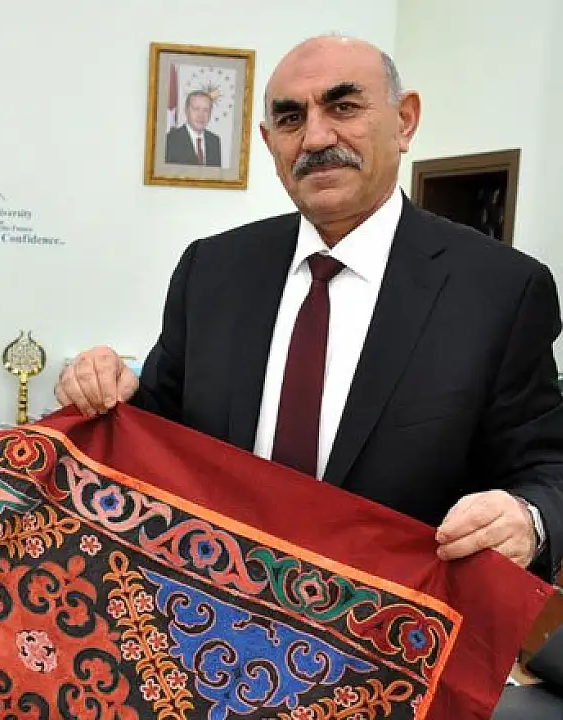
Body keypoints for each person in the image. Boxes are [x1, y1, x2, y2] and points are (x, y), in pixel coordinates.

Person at [56, 34, 563, 586]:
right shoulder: (212, 270)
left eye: (343, 107)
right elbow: (159, 429)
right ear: (269, 141)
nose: (317, 137)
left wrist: (529, 519)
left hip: (394, 621)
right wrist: (107, 389)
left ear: (405, 121)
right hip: (208, 609)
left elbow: (548, 466)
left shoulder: (501, 290)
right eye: (291, 118)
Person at [164, 90, 221, 166]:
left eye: (206, 110)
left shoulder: (214, 141)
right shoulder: (170, 140)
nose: (201, 115)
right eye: (196, 109)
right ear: (186, 111)